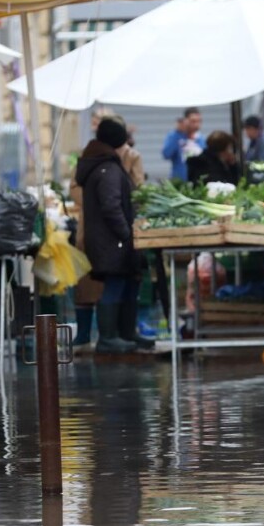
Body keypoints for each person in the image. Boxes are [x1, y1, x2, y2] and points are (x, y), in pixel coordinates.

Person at [76, 117, 152, 354]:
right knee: (115, 283)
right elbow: (111, 206)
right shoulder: (107, 168)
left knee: (128, 282)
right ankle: (109, 337)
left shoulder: (101, 163)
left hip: (109, 238)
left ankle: (125, 333)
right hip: (111, 240)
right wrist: (125, 233)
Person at [161, 107, 203, 182]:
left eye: (199, 121)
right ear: (185, 121)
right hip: (179, 181)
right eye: (193, 121)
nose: (196, 125)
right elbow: (166, 154)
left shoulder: (201, 139)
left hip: (197, 181)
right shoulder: (175, 136)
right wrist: (177, 133)